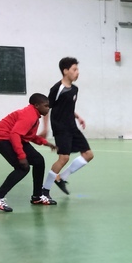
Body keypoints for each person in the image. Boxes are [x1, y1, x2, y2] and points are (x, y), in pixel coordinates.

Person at [0, 94, 58, 212]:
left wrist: (46, 143)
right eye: (46, 106)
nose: (48, 108)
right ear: (37, 105)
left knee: (38, 161)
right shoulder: (29, 116)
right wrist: (21, 156)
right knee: (22, 168)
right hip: (1, 138)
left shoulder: (34, 115)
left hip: (13, 137)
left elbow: (28, 135)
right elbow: (15, 134)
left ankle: (37, 196)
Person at [41, 56, 92, 197]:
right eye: (74, 69)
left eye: (77, 69)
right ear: (65, 71)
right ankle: (44, 191)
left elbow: (66, 107)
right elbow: (47, 108)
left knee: (88, 155)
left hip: (72, 126)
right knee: (63, 158)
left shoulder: (75, 89)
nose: (77, 72)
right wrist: (45, 128)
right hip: (60, 127)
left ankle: (61, 178)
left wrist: (77, 116)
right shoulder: (57, 88)